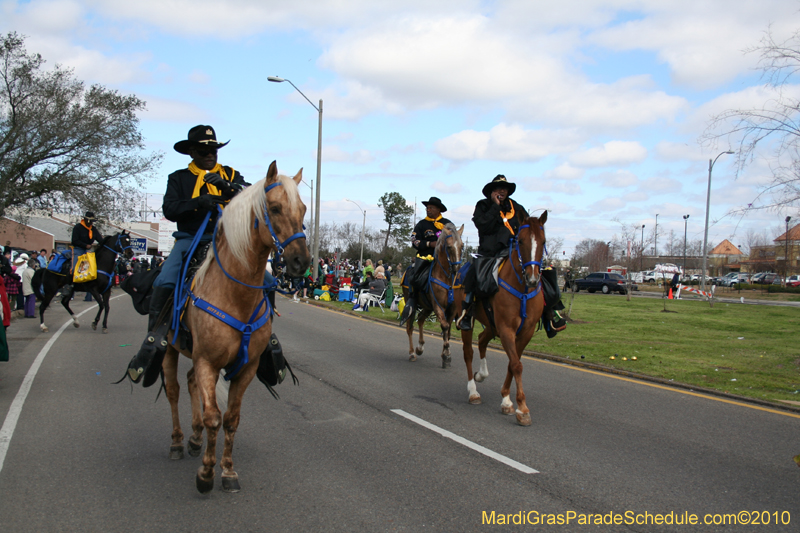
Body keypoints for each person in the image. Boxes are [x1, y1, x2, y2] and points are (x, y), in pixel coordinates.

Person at [126, 125, 247, 385]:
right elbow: (169, 208)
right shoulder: (178, 178)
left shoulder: (231, 174)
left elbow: (248, 196)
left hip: (227, 240)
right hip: (190, 239)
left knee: (266, 281)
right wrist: (197, 203)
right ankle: (153, 343)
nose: (210, 154)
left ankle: (268, 345)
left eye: (213, 149)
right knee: (165, 280)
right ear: (192, 152)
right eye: (204, 150)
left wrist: (227, 187)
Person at [457, 175, 566, 336]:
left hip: (516, 250)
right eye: (498, 187)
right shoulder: (483, 205)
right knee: (474, 272)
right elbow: (482, 225)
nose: (502, 190)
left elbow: (527, 228)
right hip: (490, 252)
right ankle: (467, 312)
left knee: (542, 273)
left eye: (504, 188)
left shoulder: (517, 207)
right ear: (492, 191)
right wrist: (495, 206)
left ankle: (550, 313)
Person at [399, 196, 452, 325]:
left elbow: (453, 239)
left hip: (443, 259)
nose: (428, 210)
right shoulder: (422, 224)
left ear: (438, 209)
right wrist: (429, 244)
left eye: (431, 208)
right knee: (414, 276)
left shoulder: (447, 224)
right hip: (425, 257)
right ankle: (412, 299)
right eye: (427, 208)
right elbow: (414, 240)